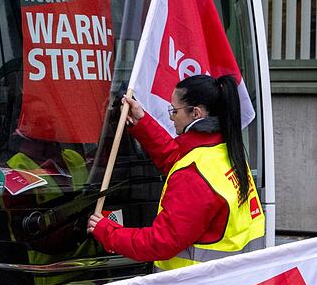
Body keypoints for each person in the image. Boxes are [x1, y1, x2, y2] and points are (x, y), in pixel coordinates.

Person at [86, 74, 265, 271]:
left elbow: (160, 242)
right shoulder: (225, 151)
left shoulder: (193, 174)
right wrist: (142, 122)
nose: (171, 117)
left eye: (174, 111)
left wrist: (108, 232)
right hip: (232, 281)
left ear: (195, 113)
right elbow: (177, 158)